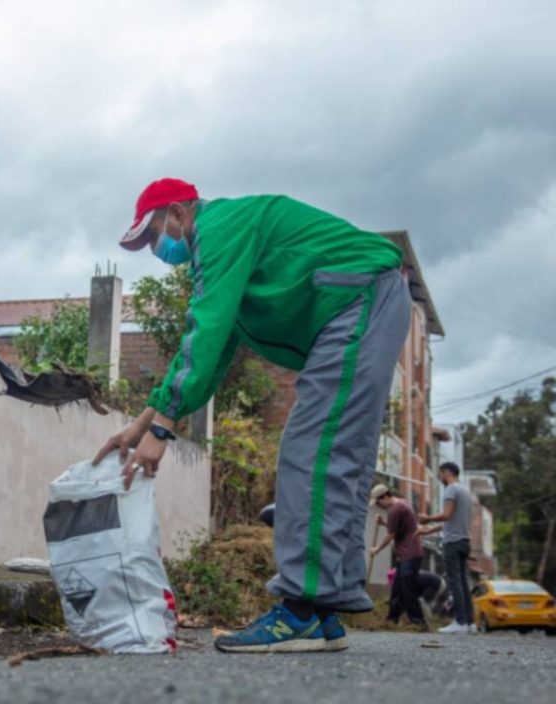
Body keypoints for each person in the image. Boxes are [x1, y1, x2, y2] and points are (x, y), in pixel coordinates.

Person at [95, 179, 411, 653]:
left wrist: (163, 429)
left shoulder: (219, 229)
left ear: (179, 214)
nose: (154, 249)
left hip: (356, 298)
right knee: (332, 454)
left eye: (153, 234)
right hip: (361, 302)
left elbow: (204, 333)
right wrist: (142, 423)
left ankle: (301, 611)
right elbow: (215, 347)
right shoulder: (230, 241)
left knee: (311, 452)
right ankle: (323, 613)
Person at [420, 462, 475, 634]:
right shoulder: (465, 491)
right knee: (463, 583)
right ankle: (469, 623)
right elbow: (453, 521)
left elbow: (446, 515)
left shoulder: (451, 490)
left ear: (447, 472)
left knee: (454, 582)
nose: (440, 477)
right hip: (465, 541)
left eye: (441, 473)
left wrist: (427, 518)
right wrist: (431, 529)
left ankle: (459, 621)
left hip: (452, 543)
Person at [368, 485, 428, 629]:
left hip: (410, 553)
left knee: (407, 589)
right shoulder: (402, 503)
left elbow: (390, 536)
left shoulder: (396, 509)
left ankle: (418, 622)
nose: (378, 505)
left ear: (384, 497)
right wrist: (383, 523)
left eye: (378, 502)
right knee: (397, 588)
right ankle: (392, 619)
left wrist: (377, 550)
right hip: (408, 554)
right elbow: (397, 528)